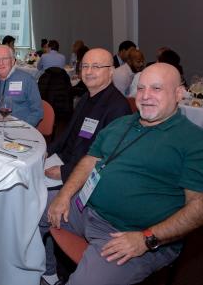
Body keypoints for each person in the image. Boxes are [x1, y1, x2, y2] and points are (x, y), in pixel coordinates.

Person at [46, 63, 203, 285]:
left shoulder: (194, 141)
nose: (146, 96)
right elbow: (91, 160)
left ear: (178, 93)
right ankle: (48, 273)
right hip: (85, 208)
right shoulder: (121, 123)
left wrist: (147, 239)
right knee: (27, 207)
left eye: (157, 89)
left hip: (130, 236)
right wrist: (64, 195)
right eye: (141, 88)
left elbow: (198, 206)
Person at [39, 48, 131, 284]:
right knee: (27, 182)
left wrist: (63, 172)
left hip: (82, 177)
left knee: (35, 201)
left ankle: (47, 270)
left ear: (111, 72)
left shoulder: (116, 108)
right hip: (65, 161)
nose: (88, 72)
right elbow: (67, 134)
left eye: (96, 67)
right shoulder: (87, 97)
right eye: (85, 66)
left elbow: (105, 161)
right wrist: (47, 151)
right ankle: (45, 265)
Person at [0, 45, 43, 127]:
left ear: (13, 61)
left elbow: (37, 111)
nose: (1, 63)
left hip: (20, 129)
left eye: (5, 58)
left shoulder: (27, 80)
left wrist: (24, 127)